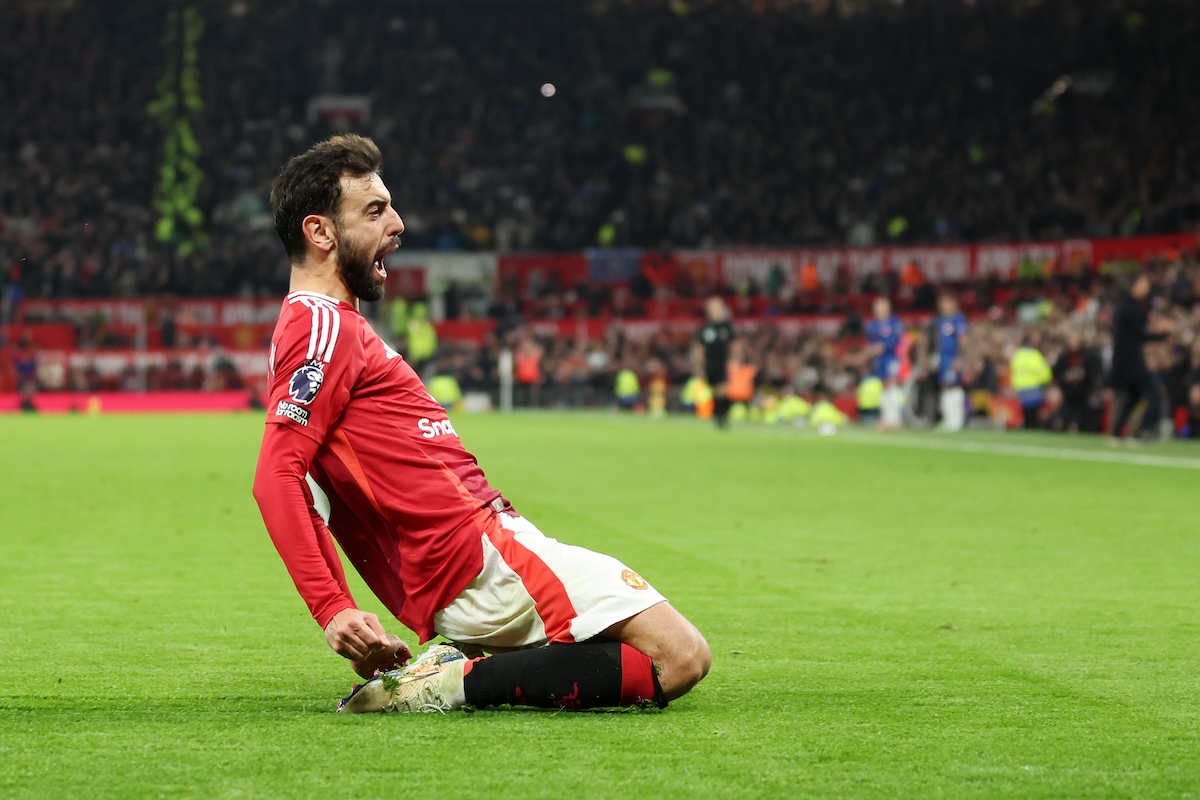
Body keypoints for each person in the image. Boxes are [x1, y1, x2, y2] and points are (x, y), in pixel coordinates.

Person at [252, 135, 710, 715]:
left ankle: (455, 667)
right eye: (374, 211)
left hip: (474, 558)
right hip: (482, 555)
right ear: (320, 233)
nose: (397, 223)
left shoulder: (317, 328)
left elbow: (311, 488)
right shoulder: (322, 328)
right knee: (680, 657)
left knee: (613, 655)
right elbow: (278, 478)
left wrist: (341, 606)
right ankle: (446, 683)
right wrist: (333, 608)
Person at [1108, 274, 1172, 441]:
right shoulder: (1130, 307)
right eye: (1143, 283)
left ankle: (1117, 431)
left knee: (1134, 396)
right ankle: (1143, 430)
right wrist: (1161, 334)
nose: (1147, 287)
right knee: (1152, 395)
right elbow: (1139, 334)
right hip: (1131, 360)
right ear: (1134, 286)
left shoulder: (1127, 304)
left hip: (1127, 358)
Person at [693, 295, 737, 428]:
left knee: (722, 389)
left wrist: (735, 360)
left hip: (722, 363)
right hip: (710, 363)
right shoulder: (705, 328)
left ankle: (722, 416)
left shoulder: (726, 327)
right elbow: (699, 347)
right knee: (714, 390)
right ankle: (718, 415)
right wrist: (699, 364)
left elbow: (735, 344)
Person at [933, 295, 967, 431]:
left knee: (954, 385)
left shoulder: (958, 319)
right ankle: (948, 418)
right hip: (943, 358)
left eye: (946, 303)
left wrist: (959, 357)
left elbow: (963, 340)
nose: (944, 307)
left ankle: (957, 419)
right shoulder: (941, 320)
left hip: (953, 357)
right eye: (942, 304)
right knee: (945, 386)